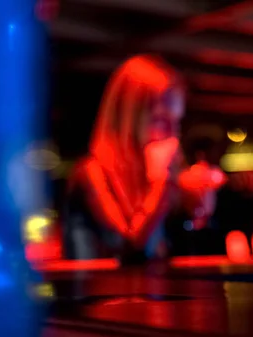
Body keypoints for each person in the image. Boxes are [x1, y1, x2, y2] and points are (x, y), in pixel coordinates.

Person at [62, 55, 220, 263]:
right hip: (99, 294)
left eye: (177, 121)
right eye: (161, 120)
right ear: (129, 119)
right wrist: (160, 185)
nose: (172, 133)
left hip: (150, 295)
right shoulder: (91, 173)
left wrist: (195, 211)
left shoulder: (159, 175)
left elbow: (180, 260)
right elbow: (128, 251)